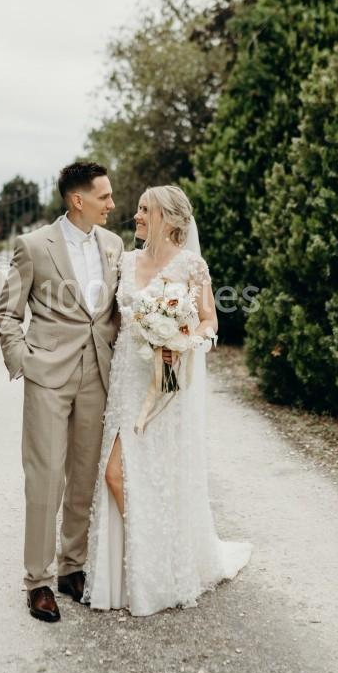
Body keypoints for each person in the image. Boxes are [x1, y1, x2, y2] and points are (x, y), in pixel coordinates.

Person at [82, 185, 252, 616]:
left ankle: (161, 565)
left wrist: (181, 339)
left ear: (169, 219)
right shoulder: (126, 261)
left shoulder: (192, 266)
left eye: (144, 209)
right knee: (118, 473)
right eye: (137, 209)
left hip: (168, 384)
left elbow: (210, 322)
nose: (135, 216)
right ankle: (142, 565)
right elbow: (110, 320)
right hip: (126, 380)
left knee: (155, 473)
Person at [0, 161, 123, 622]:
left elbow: (113, 311)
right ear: (78, 200)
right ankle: (38, 581)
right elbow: (7, 313)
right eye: (105, 196)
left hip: (98, 372)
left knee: (85, 476)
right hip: (47, 374)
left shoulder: (114, 245)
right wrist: (21, 360)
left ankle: (72, 568)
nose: (112, 204)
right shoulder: (33, 247)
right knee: (46, 478)